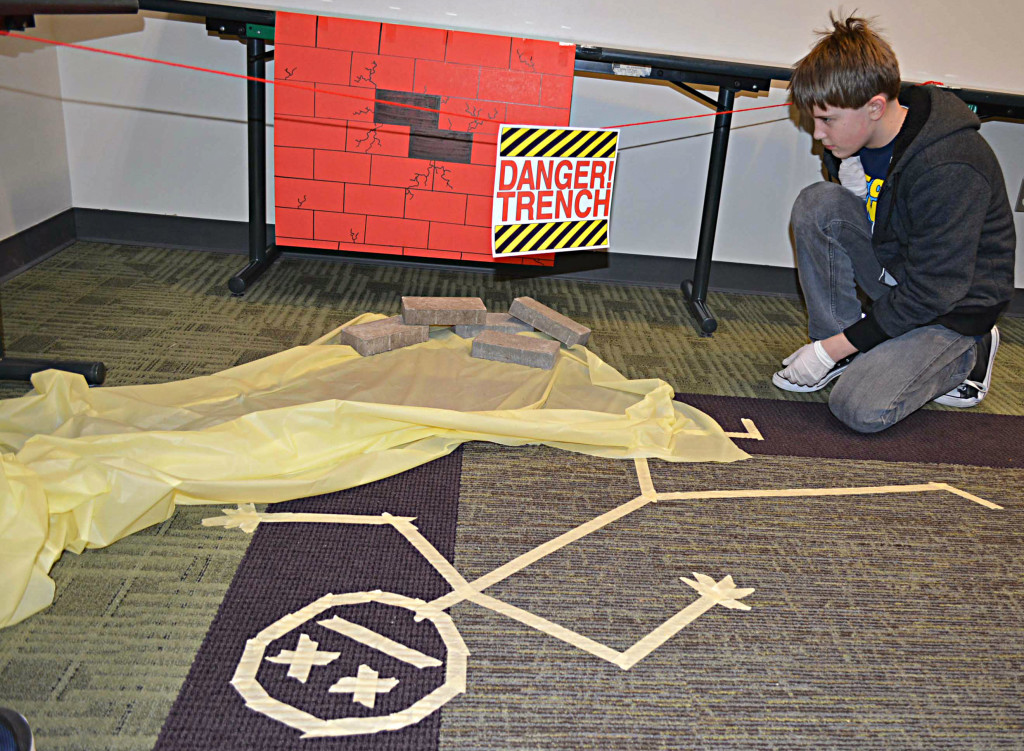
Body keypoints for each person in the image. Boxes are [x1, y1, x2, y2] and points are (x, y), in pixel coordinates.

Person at [775, 12, 1016, 432]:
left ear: (875, 107)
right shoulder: (855, 140)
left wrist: (830, 349)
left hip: (952, 305)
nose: (817, 134)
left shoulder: (950, 164)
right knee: (818, 204)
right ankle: (845, 349)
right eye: (813, 118)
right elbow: (866, 219)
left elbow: (934, 292)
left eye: (827, 119)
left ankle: (969, 354)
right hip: (899, 272)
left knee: (859, 408)